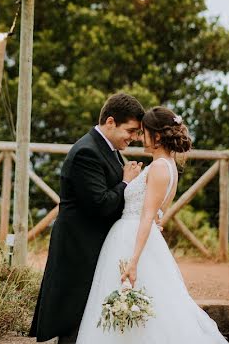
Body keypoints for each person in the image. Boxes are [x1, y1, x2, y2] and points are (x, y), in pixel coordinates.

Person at [75, 106, 228, 343]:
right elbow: (158, 213)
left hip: (133, 241)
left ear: (156, 136)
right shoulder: (168, 166)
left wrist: (133, 262)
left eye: (143, 132)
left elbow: (148, 216)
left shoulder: (158, 168)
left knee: (141, 306)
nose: (138, 137)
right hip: (141, 238)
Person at [29, 92, 146, 343]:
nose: (134, 138)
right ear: (111, 122)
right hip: (78, 245)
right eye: (131, 131)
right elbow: (101, 204)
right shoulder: (87, 152)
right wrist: (126, 182)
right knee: (74, 314)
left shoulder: (109, 148)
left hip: (92, 243)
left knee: (86, 314)